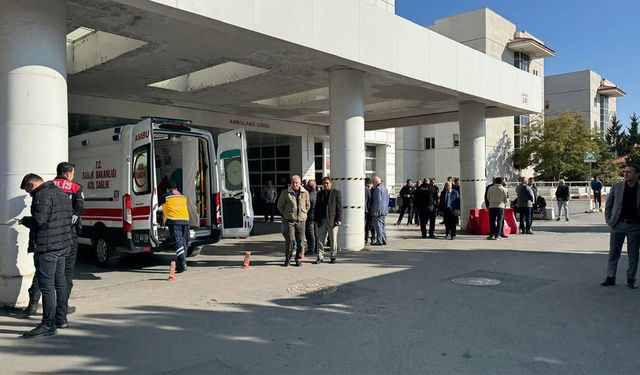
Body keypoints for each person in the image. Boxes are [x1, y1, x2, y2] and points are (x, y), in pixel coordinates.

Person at [23, 162, 84, 318]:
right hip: (67, 235)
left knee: (43, 275)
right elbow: (78, 209)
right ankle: (62, 310)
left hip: (46, 237)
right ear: (69, 173)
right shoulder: (75, 187)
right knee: (65, 275)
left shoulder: (48, 187)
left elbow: (39, 219)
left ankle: (32, 305)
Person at [19, 173, 73, 338]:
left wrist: (26, 220)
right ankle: (61, 318)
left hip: (48, 247)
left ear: (32, 184)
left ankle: (48, 323)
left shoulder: (41, 195)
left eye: (28, 190)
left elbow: (39, 221)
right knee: (60, 282)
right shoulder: (62, 194)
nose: (29, 194)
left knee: (47, 285)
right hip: (63, 244)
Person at [601, 164, 640, 289]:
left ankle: (631, 278)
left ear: (637, 174)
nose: (626, 174)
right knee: (614, 252)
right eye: (624, 172)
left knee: (633, 254)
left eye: (629, 172)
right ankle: (610, 277)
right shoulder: (617, 187)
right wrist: (609, 220)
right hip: (618, 225)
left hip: (635, 226)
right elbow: (609, 204)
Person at [277, 175, 310, 266]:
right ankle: (288, 258)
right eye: (293, 182)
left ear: (300, 183)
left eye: (297, 183)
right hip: (289, 220)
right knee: (291, 240)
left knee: (300, 241)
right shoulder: (286, 192)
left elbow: (307, 205)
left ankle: (298, 259)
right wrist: (286, 214)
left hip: (301, 220)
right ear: (291, 183)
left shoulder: (305, 193)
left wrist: (303, 213)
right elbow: (280, 205)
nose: (295, 184)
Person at [159, 181, 190, 273]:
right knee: (184, 241)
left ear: (168, 189)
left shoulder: (165, 196)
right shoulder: (183, 197)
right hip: (185, 220)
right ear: (176, 188)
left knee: (178, 241)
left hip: (174, 220)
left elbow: (159, 208)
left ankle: (183, 263)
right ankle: (181, 263)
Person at [314, 177, 342, 263]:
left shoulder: (336, 193)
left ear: (331, 183)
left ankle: (333, 256)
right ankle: (320, 256)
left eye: (327, 183)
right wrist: (315, 219)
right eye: (324, 183)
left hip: (332, 220)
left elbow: (339, 207)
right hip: (322, 220)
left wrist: (339, 219)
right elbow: (316, 207)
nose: (325, 185)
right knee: (320, 239)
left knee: (333, 239)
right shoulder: (319, 194)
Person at [369, 176, 389, 245]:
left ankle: (379, 241)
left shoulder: (378, 189)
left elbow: (378, 201)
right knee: (382, 226)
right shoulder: (385, 188)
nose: (372, 184)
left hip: (379, 211)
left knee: (379, 227)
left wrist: (376, 210)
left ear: (375, 181)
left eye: (372, 182)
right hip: (384, 210)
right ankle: (384, 240)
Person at [305, 179, 318, 255]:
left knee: (310, 234)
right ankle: (316, 249)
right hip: (316, 217)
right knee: (316, 234)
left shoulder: (309, 195)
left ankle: (311, 249)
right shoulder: (317, 194)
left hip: (310, 217)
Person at [364, 177, 375, 244]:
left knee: (367, 225)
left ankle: (366, 238)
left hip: (367, 210)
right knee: (370, 225)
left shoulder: (366, 189)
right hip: (369, 210)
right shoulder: (368, 189)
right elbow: (370, 200)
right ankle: (372, 238)